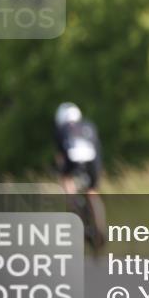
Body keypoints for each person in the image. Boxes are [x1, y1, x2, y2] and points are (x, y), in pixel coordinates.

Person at [53, 102, 107, 243]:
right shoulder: (89, 125)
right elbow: (98, 148)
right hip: (93, 162)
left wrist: (61, 172)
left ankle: (74, 213)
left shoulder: (62, 129)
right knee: (92, 192)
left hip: (73, 160)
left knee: (67, 184)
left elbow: (60, 156)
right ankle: (100, 228)